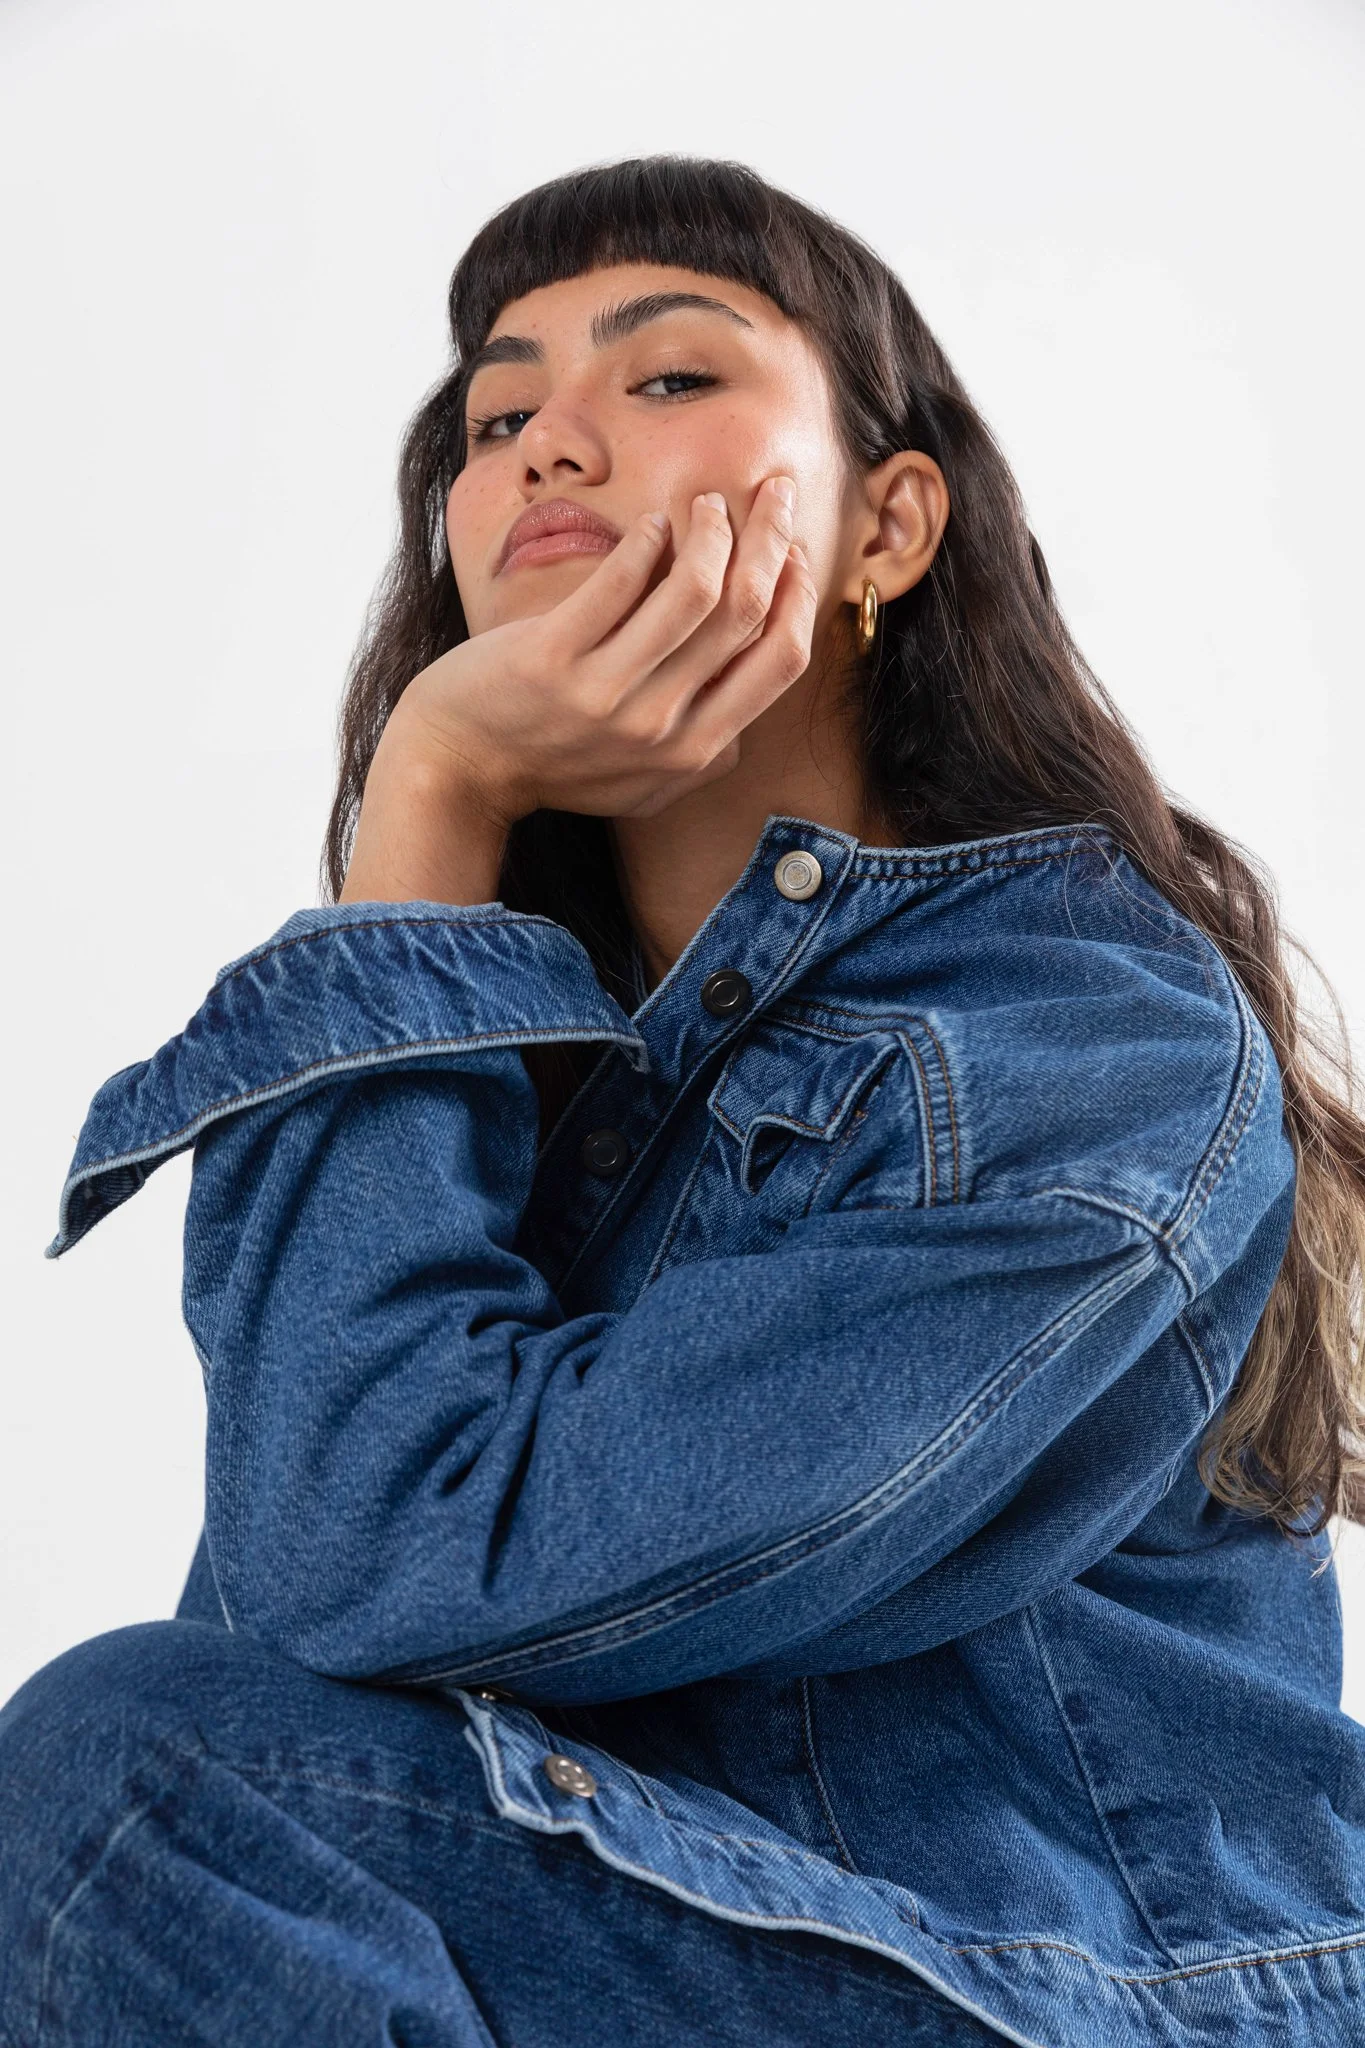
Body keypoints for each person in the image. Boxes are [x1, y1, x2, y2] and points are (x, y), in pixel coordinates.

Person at [2, 155, 1363, 2048]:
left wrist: (432, 798)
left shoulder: (1086, 1041)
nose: (552, 442)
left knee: (132, 1782)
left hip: (1055, 1996)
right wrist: (432, 826)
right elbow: (294, 1652)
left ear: (890, 526)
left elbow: (389, 1548)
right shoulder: (503, 1067)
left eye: (665, 379)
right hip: (648, 1939)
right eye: (495, 413)